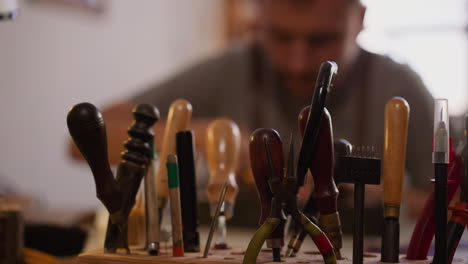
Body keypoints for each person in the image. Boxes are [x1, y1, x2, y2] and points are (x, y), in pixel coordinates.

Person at [69, 0, 434, 228]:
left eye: (323, 39)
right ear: (259, 16)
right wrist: (198, 136)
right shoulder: (231, 67)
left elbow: (450, 204)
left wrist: (383, 194)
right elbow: (82, 140)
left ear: (360, 20)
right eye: (280, 37)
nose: (298, 61)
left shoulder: (402, 88)